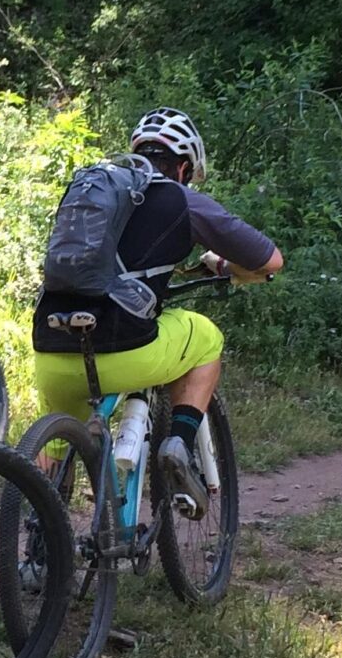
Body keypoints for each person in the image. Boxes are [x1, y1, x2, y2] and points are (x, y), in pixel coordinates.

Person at [30, 109, 284, 509]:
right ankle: (179, 445)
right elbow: (270, 261)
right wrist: (225, 266)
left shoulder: (95, 191)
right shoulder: (181, 198)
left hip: (51, 348)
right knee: (206, 339)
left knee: (58, 440)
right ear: (183, 166)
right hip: (124, 352)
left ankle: (38, 543)